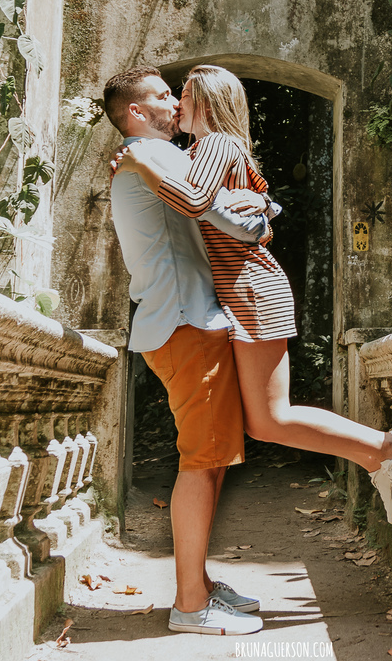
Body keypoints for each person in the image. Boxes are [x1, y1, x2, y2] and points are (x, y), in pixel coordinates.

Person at [112, 64, 392, 525]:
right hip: (240, 291)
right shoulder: (203, 149)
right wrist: (265, 206)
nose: (177, 103)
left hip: (252, 289)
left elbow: (196, 202)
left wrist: (140, 161)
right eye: (169, 96)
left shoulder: (212, 144)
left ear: (207, 103)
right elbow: (233, 202)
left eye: (184, 95)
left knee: (272, 416)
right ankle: (380, 453)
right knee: (265, 420)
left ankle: (387, 449)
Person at [105, 65, 265, 636]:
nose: (175, 103)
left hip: (182, 322)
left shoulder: (151, 158)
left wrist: (260, 210)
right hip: (186, 324)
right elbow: (236, 222)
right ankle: (190, 606)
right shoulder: (154, 156)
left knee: (213, 458)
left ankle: (198, 583)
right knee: (201, 462)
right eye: (163, 96)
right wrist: (262, 215)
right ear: (137, 113)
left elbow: (236, 209)